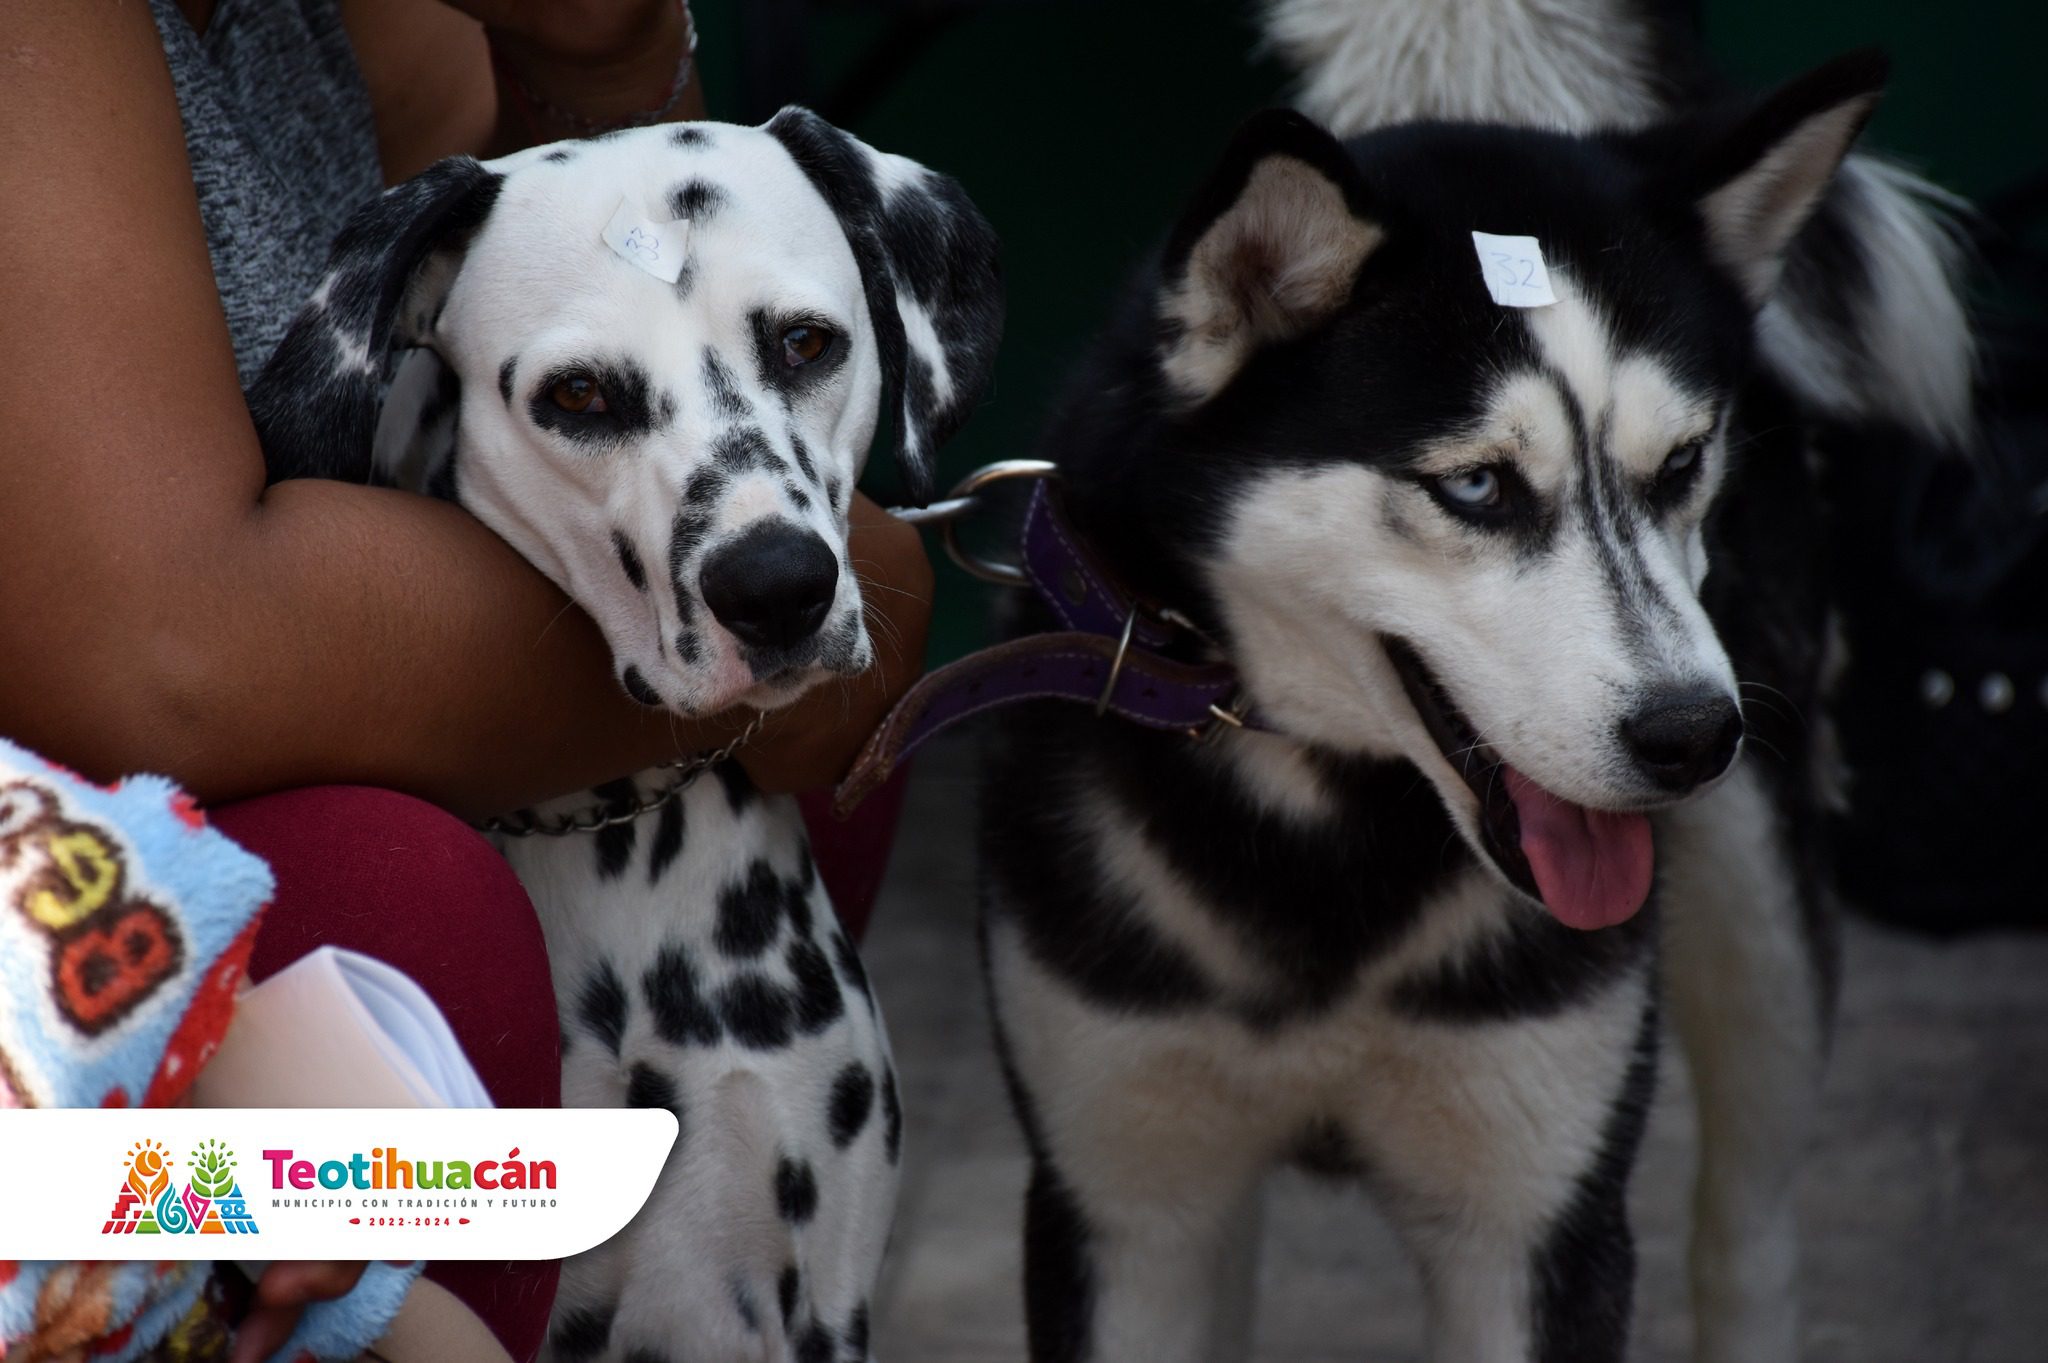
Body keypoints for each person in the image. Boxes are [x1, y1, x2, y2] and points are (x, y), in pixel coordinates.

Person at [0, 3, 936, 1360]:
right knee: (407, 898)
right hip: (88, 923)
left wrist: (601, 54)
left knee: (826, 740)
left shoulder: (364, 25)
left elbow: (602, 267)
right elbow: (170, 653)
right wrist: (751, 610)